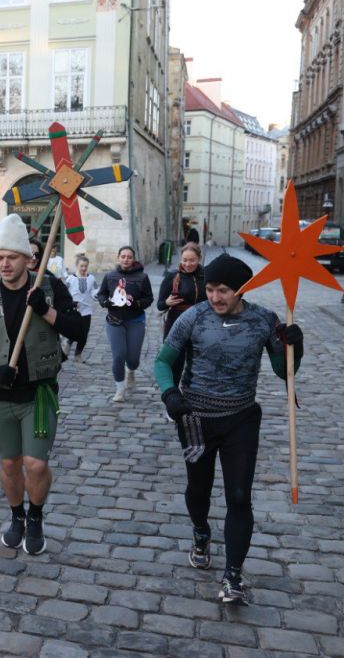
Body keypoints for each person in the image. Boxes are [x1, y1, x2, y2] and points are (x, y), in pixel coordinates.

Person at [154, 253, 303, 605]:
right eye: (210, 289)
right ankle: (201, 532)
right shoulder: (193, 317)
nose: (215, 297)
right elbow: (163, 361)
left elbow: (286, 372)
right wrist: (169, 393)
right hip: (195, 420)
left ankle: (233, 576)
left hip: (241, 418)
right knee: (198, 488)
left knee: (239, 496)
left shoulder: (264, 321)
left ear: (242, 290)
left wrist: (294, 345)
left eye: (223, 290)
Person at [0, 214, 85, 555]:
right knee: (10, 464)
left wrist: (46, 311)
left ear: (28, 259)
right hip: (0, 396)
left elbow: (79, 330)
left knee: (37, 464)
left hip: (38, 394)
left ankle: (36, 517)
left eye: (11, 258)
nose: (4, 264)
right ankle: (17, 516)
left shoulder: (48, 287)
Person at [96, 246, 154, 402]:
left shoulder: (142, 277)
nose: (126, 259)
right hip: (115, 321)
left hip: (136, 321)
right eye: (123, 256)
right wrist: (104, 302)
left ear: (133, 259)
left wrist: (137, 303)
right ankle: (120, 390)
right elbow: (101, 294)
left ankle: (131, 371)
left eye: (129, 257)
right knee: (119, 355)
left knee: (133, 359)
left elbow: (149, 298)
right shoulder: (110, 276)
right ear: (118, 258)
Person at [157, 243, 206, 390]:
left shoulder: (207, 276)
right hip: (176, 324)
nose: (188, 264)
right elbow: (159, 305)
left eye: (192, 260)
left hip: (200, 325)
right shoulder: (172, 276)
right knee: (175, 364)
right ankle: (173, 398)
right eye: (184, 260)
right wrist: (166, 302)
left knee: (197, 364)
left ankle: (194, 397)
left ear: (199, 259)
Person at [63, 255, 98, 360]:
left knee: (84, 334)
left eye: (85, 266)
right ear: (77, 266)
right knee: (72, 331)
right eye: (81, 266)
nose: (83, 268)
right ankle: (68, 342)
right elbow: (64, 293)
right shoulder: (70, 279)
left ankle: (78, 355)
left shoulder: (91, 278)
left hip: (86, 311)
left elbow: (94, 291)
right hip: (73, 310)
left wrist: (99, 295)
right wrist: (71, 303)